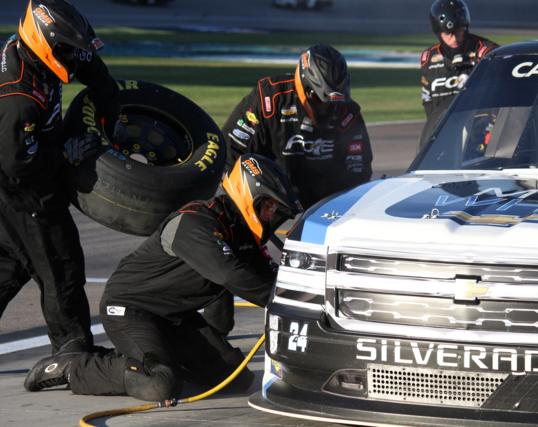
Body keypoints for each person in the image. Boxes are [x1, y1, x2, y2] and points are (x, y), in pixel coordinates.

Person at [24, 154, 304, 401]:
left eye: (275, 209)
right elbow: (229, 275)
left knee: (234, 377)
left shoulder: (243, 235)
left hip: (175, 317)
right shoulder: (197, 222)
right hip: (129, 309)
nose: (271, 214)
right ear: (247, 194)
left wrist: (309, 299)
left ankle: (143, 359)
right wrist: (284, 302)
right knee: (161, 384)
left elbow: (273, 280)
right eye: (268, 205)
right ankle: (72, 365)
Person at [0, 0, 122, 354]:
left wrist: (113, 120)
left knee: (13, 266)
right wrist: (66, 155)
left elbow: (96, 72)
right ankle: (74, 355)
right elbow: (19, 162)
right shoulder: (17, 96)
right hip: (21, 188)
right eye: (67, 50)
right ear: (44, 43)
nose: (73, 57)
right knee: (61, 267)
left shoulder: (44, 52)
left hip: (19, 173)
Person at [222, 43, 373, 210]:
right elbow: (230, 152)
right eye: (319, 98)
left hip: (324, 204)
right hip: (269, 200)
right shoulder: (268, 99)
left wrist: (334, 209)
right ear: (305, 86)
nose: (325, 106)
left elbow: (358, 171)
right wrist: (255, 200)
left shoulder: (349, 114)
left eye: (332, 101)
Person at [421, 0, 499, 119]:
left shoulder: (484, 51)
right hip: (444, 127)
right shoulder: (428, 58)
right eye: (448, 33)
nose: (454, 38)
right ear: (438, 32)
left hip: (480, 124)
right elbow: (428, 100)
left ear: (465, 27)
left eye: (459, 31)